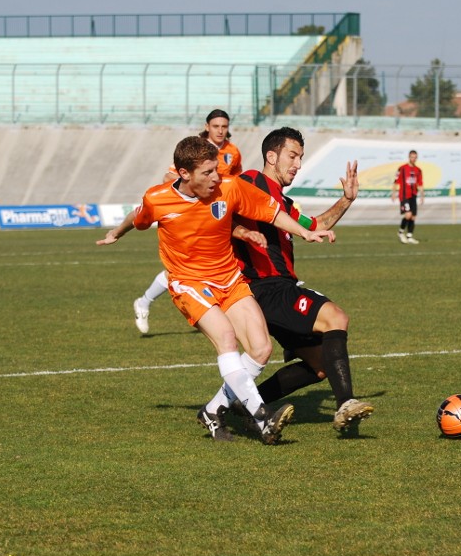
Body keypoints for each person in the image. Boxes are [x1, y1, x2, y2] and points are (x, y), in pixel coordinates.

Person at [98, 135, 336, 444]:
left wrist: (304, 231)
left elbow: (271, 211)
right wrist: (117, 232)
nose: (216, 177)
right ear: (184, 174)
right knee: (225, 337)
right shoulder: (158, 199)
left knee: (261, 349)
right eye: (207, 172)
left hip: (229, 279)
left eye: (216, 170)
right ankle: (261, 418)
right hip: (189, 283)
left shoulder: (230, 186)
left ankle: (212, 411)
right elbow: (138, 216)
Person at [220, 127, 373, 432]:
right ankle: (346, 405)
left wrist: (346, 200)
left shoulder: (285, 204)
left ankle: (247, 402)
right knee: (335, 318)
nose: (298, 164)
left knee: (318, 365)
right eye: (292, 155)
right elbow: (227, 203)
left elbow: (315, 224)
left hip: (278, 290)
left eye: (301, 157)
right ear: (271, 156)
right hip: (266, 288)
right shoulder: (251, 181)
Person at [132, 109, 243, 334]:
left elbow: (236, 181)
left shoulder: (233, 152)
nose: (221, 130)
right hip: (191, 215)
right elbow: (169, 178)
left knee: (213, 264)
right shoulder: (195, 148)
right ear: (207, 127)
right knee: (186, 269)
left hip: (217, 214)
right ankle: (145, 301)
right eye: (216, 126)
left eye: (224, 126)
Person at [393, 150, 424, 244]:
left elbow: (420, 183)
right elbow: (395, 181)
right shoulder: (402, 168)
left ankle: (409, 236)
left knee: (413, 216)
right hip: (404, 195)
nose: (413, 159)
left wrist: (422, 195)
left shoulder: (418, 170)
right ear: (409, 157)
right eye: (412, 157)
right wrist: (393, 193)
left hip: (413, 195)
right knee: (408, 215)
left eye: (415, 157)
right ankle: (400, 232)